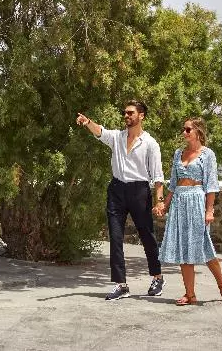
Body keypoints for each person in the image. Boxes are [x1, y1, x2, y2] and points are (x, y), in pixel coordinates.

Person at [76, 100, 166, 300]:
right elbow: (101, 132)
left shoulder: (150, 143)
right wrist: (87, 121)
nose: (126, 116)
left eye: (130, 113)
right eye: (124, 113)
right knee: (115, 237)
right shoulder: (117, 137)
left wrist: (159, 201)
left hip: (139, 191)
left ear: (141, 115)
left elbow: (158, 176)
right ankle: (121, 284)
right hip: (117, 190)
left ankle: (157, 277)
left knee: (147, 236)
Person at [156, 117, 222, 306]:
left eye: (188, 130)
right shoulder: (178, 153)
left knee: (204, 246)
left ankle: (221, 281)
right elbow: (173, 183)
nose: (184, 133)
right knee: (183, 248)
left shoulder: (208, 154)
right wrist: (164, 204)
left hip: (197, 200)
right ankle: (190, 294)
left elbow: (211, 185)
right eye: (184, 129)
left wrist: (209, 210)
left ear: (198, 131)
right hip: (179, 201)